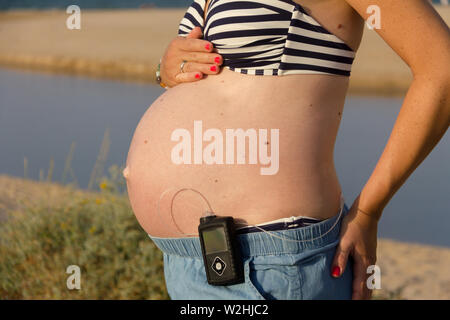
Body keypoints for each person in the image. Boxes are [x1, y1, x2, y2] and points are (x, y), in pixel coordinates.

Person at [124, 0, 450, 300]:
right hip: (187, 262)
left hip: (270, 262)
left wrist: (368, 212)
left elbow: (442, 67)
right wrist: (165, 70)